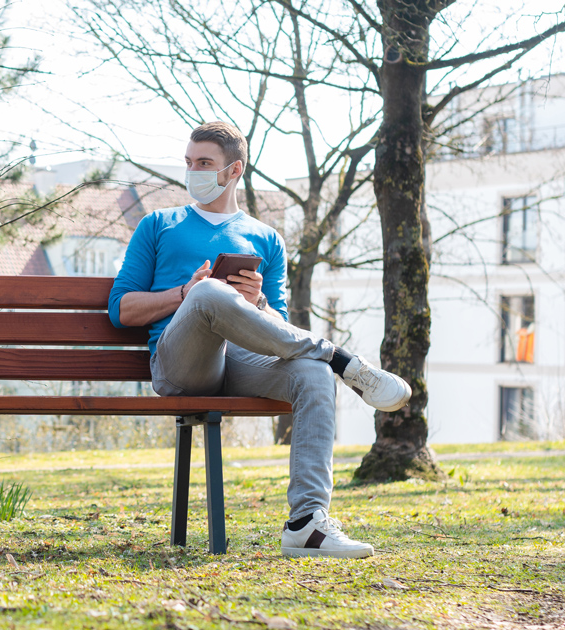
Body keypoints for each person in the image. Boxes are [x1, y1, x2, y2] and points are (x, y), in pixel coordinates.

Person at [108, 121, 411, 559]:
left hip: (243, 363)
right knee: (212, 291)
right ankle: (341, 359)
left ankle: (307, 524)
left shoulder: (266, 238)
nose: (193, 171)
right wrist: (185, 294)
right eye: (189, 162)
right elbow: (121, 310)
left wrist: (260, 304)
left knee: (311, 374)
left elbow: (279, 331)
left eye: (205, 163)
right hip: (181, 365)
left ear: (234, 171)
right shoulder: (159, 224)